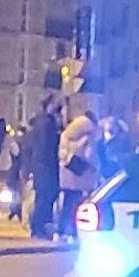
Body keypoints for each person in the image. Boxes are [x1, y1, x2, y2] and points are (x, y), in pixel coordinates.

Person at [57, 110, 101, 241]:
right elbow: (90, 154)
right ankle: (74, 232)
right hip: (82, 174)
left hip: (67, 172)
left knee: (67, 202)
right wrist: (96, 167)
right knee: (79, 204)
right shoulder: (89, 134)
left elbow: (62, 154)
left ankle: (61, 231)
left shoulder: (66, 134)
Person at [25, 96, 62, 240]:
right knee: (45, 197)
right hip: (45, 166)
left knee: (44, 197)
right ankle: (39, 227)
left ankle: (39, 227)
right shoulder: (47, 123)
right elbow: (47, 146)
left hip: (40, 165)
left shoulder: (42, 122)